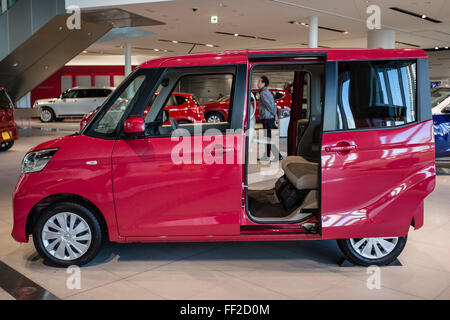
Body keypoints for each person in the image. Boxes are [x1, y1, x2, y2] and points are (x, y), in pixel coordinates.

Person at [257, 76, 283, 161]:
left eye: (259, 82)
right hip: (269, 118)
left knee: (267, 137)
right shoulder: (267, 92)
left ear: (264, 83)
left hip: (267, 118)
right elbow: (273, 105)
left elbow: (270, 106)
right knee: (268, 137)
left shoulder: (263, 93)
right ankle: (269, 155)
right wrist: (275, 115)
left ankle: (275, 155)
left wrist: (275, 115)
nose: (258, 83)